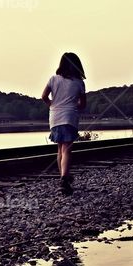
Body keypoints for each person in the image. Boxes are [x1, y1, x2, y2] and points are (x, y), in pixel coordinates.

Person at [41, 52, 87, 195]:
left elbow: (43, 96)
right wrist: (73, 107)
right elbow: (83, 104)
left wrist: (52, 106)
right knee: (67, 149)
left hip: (54, 117)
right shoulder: (79, 82)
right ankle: (64, 179)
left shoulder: (53, 79)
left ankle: (64, 177)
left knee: (61, 148)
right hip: (69, 117)